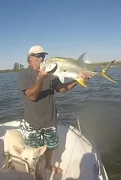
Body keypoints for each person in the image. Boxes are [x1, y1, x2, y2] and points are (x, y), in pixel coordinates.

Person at [18, 45, 91, 174]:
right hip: (32, 121)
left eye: (43, 56)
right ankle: (37, 173)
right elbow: (32, 96)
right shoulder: (24, 74)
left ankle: (48, 165)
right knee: (33, 151)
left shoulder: (52, 73)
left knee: (50, 147)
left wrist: (78, 80)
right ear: (30, 58)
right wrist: (40, 78)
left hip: (50, 119)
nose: (42, 58)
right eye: (38, 56)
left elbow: (62, 89)